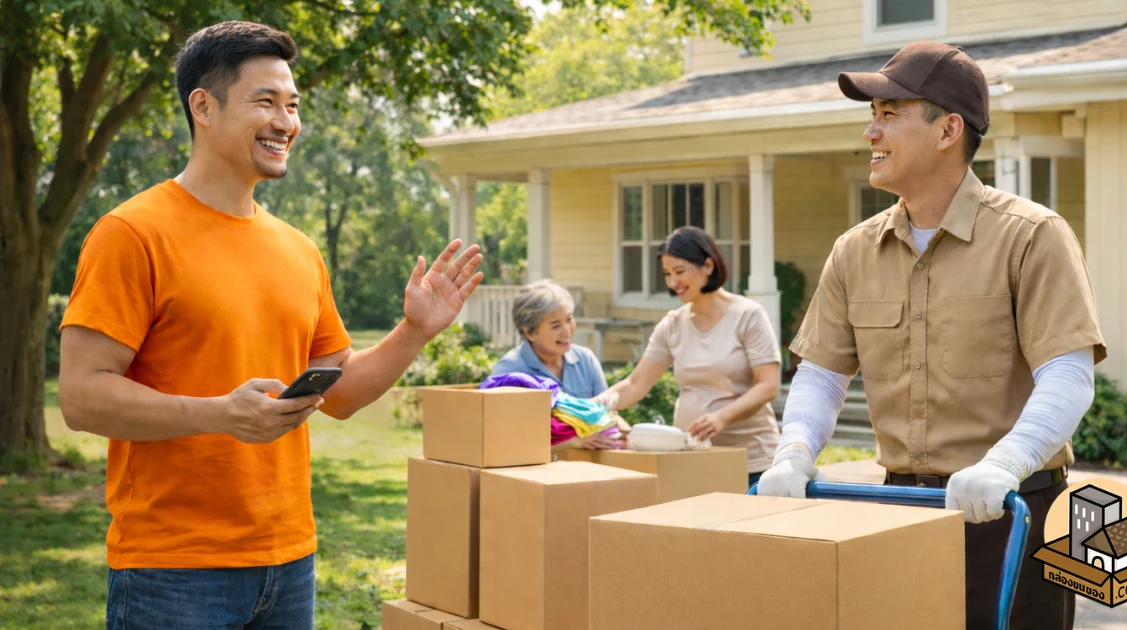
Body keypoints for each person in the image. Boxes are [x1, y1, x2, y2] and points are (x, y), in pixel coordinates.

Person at [56, 21, 483, 630]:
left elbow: (341, 393)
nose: (286, 122)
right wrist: (219, 414)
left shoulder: (298, 250)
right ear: (203, 107)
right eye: (265, 102)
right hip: (173, 570)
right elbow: (81, 397)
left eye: (293, 105)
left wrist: (415, 330)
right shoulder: (131, 233)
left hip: (289, 562)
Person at [756, 41, 1104, 629]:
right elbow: (821, 373)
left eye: (890, 114)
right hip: (898, 510)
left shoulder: (1031, 236)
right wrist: (793, 453)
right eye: (872, 115)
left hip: (1014, 508)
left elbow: (1068, 375)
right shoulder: (853, 251)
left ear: (948, 129)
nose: (871, 132)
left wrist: (1005, 464)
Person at [596, 227, 782, 486]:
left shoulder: (748, 315)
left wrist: (721, 417)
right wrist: (596, 405)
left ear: (708, 266)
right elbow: (636, 384)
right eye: (667, 274)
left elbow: (768, 386)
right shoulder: (672, 324)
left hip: (752, 463)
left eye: (680, 271)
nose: (673, 283)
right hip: (693, 459)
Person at [491, 280, 629, 454]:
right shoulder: (509, 372)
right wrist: (572, 442)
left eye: (569, 320)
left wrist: (630, 436)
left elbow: (608, 415)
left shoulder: (585, 359)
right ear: (529, 332)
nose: (567, 331)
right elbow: (502, 440)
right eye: (555, 326)